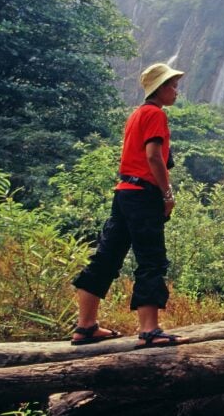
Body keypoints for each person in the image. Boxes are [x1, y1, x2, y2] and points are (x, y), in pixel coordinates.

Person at [71, 63, 191, 348]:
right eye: (172, 86)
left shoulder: (136, 114)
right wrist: (167, 194)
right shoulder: (155, 115)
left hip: (124, 192)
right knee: (151, 258)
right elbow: (153, 157)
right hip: (143, 195)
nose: (176, 91)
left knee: (107, 256)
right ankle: (149, 330)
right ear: (160, 89)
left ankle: (85, 326)